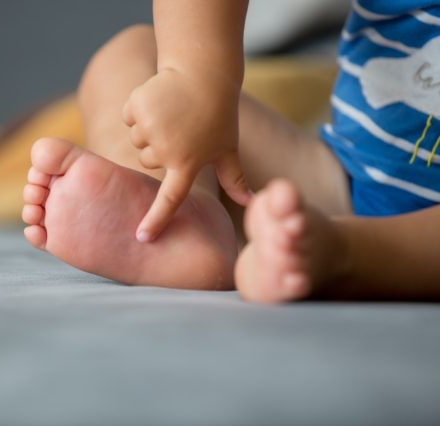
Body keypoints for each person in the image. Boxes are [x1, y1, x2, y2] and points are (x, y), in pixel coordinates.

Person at [22, 0, 440, 302]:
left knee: (318, 241)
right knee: (134, 52)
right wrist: (196, 74)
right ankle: (176, 210)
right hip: (339, 180)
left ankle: (342, 254)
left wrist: (336, 248)